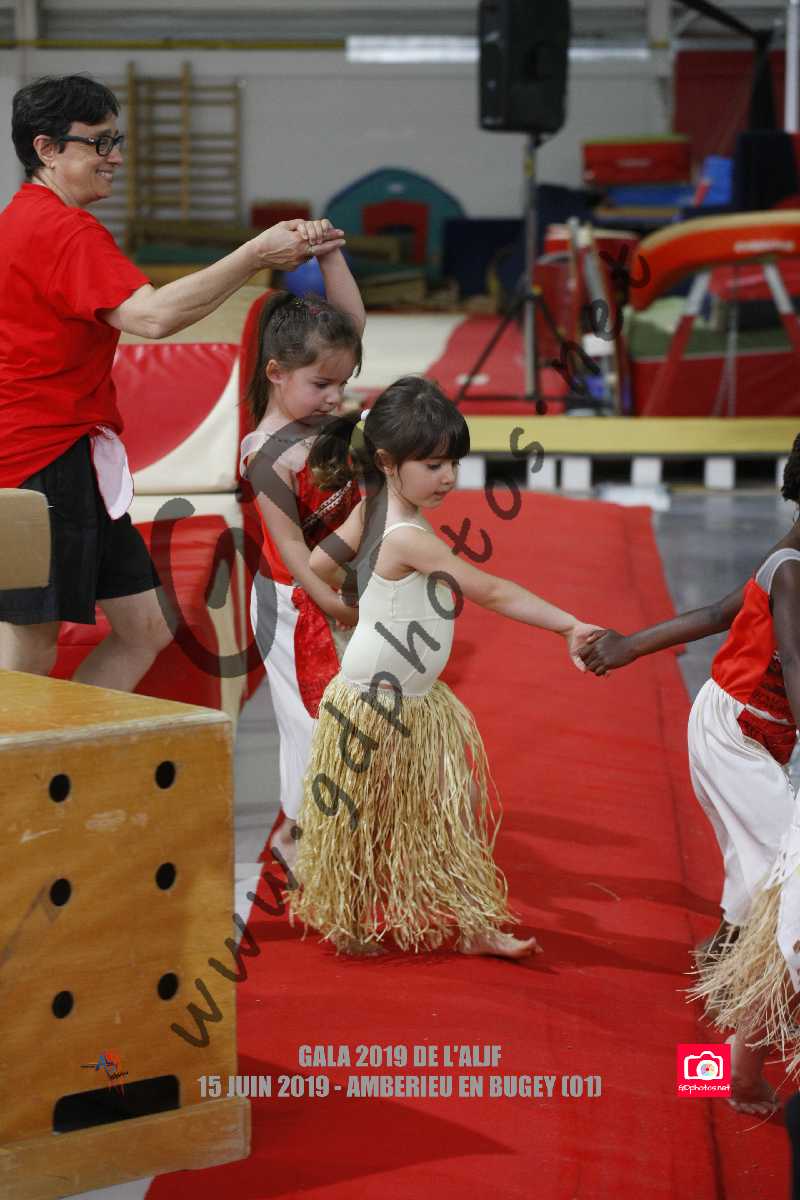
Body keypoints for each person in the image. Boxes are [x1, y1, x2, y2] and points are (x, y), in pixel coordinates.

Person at [0, 73, 344, 693]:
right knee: (30, 647)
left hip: (68, 456)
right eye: (99, 143)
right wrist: (255, 256)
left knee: (145, 627)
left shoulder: (27, 220)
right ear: (46, 149)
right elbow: (153, 318)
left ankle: (72, 742)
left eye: (116, 141)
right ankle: (18, 753)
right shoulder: (62, 230)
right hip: (39, 463)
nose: (115, 157)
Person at [287, 376, 602, 958]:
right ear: (387, 462)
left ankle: (472, 924)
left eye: (453, 462)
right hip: (377, 705)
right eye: (433, 465)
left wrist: (352, 604)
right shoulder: (407, 536)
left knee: (448, 809)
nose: (449, 476)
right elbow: (492, 591)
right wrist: (567, 624)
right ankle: (349, 918)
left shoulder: (372, 510)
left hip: (409, 699)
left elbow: (318, 563)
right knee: (373, 817)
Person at [581, 437, 800, 1116]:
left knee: (766, 880)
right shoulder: (791, 570)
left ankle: (721, 975)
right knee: (786, 881)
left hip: (747, 733)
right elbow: (792, 662)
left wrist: (630, 646)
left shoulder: (786, 556)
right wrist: (626, 649)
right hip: (734, 736)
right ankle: (729, 1062)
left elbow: (715, 614)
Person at [240, 281, 366, 869]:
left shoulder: (318, 418)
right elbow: (290, 546)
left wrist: (330, 253)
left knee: (354, 714)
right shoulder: (266, 452)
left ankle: (327, 827)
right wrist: (333, 605)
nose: (336, 397)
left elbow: (352, 324)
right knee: (314, 724)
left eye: (343, 383)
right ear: (276, 373)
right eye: (322, 385)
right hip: (294, 602)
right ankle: (297, 835)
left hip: (337, 589)